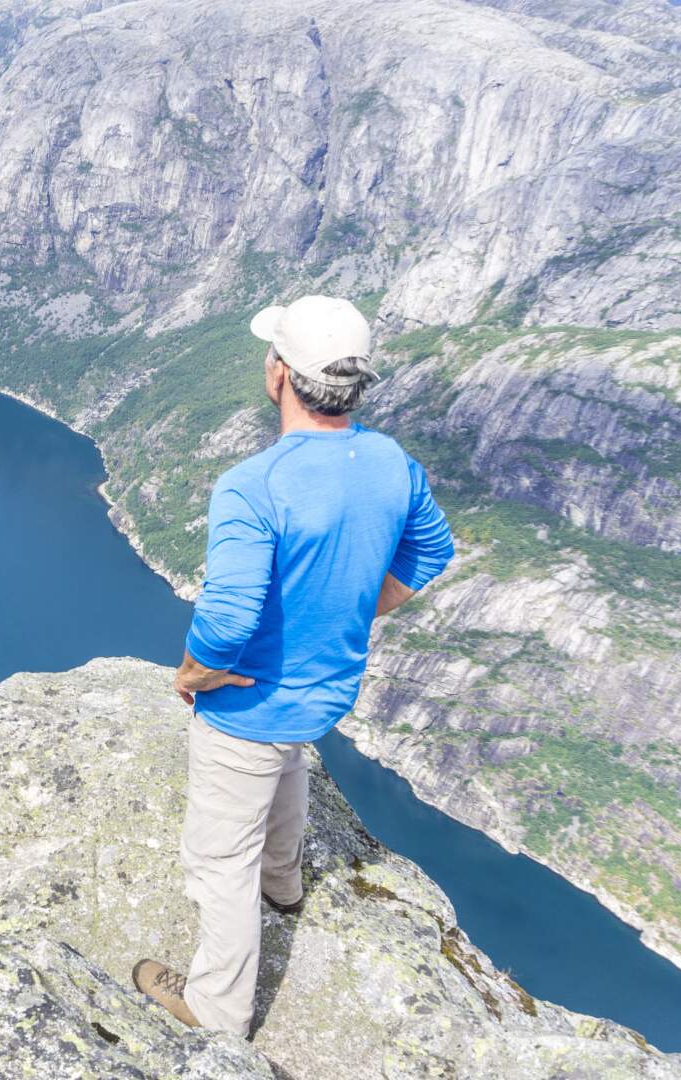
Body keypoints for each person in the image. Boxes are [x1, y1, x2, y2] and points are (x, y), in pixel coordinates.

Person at [131, 295, 455, 1037]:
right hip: (323, 695)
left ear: (279, 373)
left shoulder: (255, 484)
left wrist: (192, 674)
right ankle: (284, 885)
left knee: (218, 863)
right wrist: (355, 610)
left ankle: (215, 1013)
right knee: (287, 768)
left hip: (248, 708)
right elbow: (432, 550)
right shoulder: (390, 464)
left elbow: (229, 617)